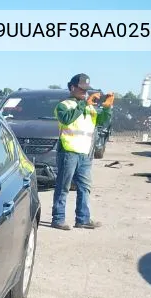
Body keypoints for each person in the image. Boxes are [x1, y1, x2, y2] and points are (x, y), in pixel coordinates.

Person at [51, 73, 113, 230]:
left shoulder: (90, 107)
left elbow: (102, 122)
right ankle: (58, 219)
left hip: (84, 154)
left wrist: (107, 108)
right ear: (72, 88)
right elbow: (66, 119)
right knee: (63, 187)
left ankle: (82, 219)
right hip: (68, 152)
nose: (85, 93)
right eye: (82, 89)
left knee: (85, 188)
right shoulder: (64, 105)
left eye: (87, 90)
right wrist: (83, 104)